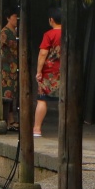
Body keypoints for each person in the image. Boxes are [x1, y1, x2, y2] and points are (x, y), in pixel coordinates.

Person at [33, 7, 63, 137]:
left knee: (42, 100)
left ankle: (37, 129)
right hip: (65, 71)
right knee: (65, 100)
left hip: (49, 72)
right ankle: (65, 129)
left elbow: (43, 53)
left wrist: (39, 71)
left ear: (51, 20)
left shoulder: (49, 35)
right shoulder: (69, 33)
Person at [0, 11, 20, 129]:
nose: (16, 19)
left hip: (14, 66)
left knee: (12, 93)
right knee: (7, 93)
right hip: (6, 67)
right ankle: (8, 120)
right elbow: (0, 49)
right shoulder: (4, 32)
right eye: (15, 17)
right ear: (8, 18)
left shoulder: (16, 32)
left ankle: (11, 120)